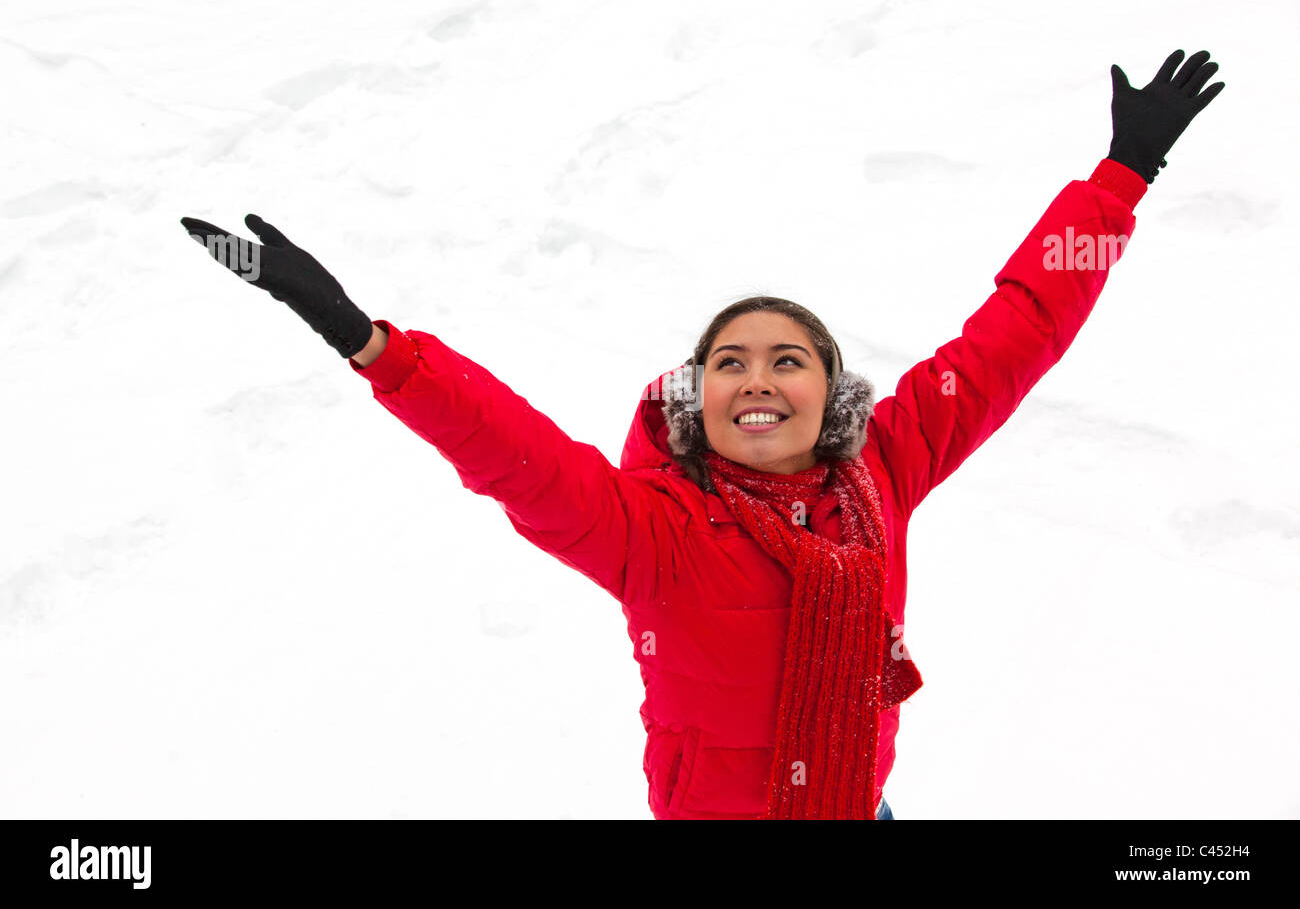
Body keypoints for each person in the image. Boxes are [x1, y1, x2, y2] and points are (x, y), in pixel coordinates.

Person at [180, 48, 1224, 819]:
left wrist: (1122, 176)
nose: (758, 379)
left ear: (830, 391)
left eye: (786, 359)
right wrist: (366, 341)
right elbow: (509, 452)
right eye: (731, 362)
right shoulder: (652, 530)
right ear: (697, 398)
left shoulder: (884, 470)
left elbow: (1019, 330)